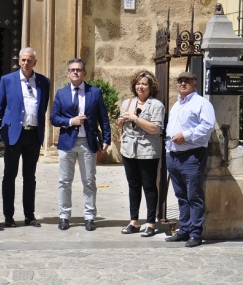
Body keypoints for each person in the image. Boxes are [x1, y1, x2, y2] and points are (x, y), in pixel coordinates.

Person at [50, 58, 111, 231]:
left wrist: (107, 139)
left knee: (89, 181)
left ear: (84, 73)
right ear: (68, 73)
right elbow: (53, 118)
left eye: (78, 70)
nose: (75, 72)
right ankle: (64, 216)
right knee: (64, 181)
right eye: (72, 70)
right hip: (67, 142)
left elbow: (103, 117)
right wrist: (71, 121)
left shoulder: (95, 92)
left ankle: (90, 216)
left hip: (88, 142)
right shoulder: (61, 94)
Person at [0, 47, 50, 227]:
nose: (26, 63)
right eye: (23, 60)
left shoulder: (43, 81)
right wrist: (9, 125)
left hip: (33, 134)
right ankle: (8, 216)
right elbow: (0, 107)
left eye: (29, 60)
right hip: (14, 135)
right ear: (19, 61)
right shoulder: (7, 80)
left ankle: (29, 215)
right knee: (9, 175)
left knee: (30, 176)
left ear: (35, 62)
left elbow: (42, 107)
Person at [164, 71, 215, 247]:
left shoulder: (202, 103)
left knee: (194, 196)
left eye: (187, 80)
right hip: (174, 156)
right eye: (180, 81)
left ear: (195, 83)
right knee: (181, 196)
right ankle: (184, 230)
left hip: (192, 156)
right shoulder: (177, 104)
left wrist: (186, 135)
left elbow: (208, 126)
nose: (183, 83)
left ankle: (195, 233)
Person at [118, 70, 165, 237]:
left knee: (149, 186)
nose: (140, 86)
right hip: (129, 149)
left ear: (151, 87)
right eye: (138, 83)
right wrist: (122, 120)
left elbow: (155, 129)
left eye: (144, 83)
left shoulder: (156, 105)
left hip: (148, 150)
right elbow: (121, 123)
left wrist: (135, 118)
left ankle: (151, 222)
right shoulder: (128, 103)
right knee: (133, 186)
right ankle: (134, 221)